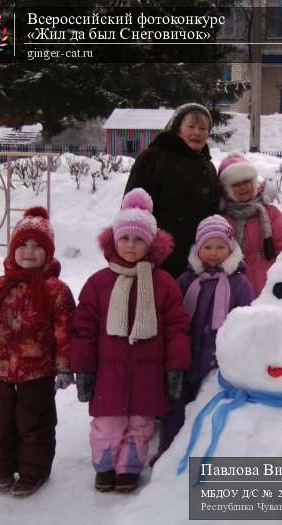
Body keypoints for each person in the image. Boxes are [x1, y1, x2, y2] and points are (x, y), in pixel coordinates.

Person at [71, 189, 191, 493]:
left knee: (140, 425)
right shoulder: (98, 283)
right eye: (124, 238)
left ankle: (129, 469)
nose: (130, 245)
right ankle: (106, 467)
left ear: (151, 244)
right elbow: (83, 329)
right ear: (114, 240)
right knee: (107, 425)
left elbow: (177, 328)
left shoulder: (163, 283)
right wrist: (83, 369)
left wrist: (175, 367)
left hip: (148, 373)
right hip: (108, 372)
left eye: (138, 240)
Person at [0, 207, 75, 497]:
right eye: (23, 244)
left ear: (48, 252)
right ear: (13, 249)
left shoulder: (55, 291)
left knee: (34, 424)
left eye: (38, 246)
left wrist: (65, 367)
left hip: (38, 373)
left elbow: (66, 332)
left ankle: (33, 473)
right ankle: (2, 470)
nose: (30, 251)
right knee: (1, 423)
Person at [155, 215, 254, 462]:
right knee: (175, 405)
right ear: (198, 249)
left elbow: (247, 321)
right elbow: (171, 313)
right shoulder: (186, 280)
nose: (214, 253)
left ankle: (201, 453)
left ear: (230, 249)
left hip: (215, 360)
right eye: (207, 247)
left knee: (206, 407)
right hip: (184, 355)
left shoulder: (239, 283)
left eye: (221, 247)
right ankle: (168, 452)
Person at [124, 102, 223, 278]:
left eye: (203, 128)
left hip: (198, 259)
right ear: (177, 129)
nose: (197, 133)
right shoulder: (154, 158)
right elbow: (133, 209)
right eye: (191, 126)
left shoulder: (208, 166)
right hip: (159, 257)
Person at [219, 153, 282, 295]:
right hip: (236, 282)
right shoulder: (223, 220)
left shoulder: (270, 213)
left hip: (269, 278)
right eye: (236, 184)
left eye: (246, 181)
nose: (243, 187)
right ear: (227, 190)